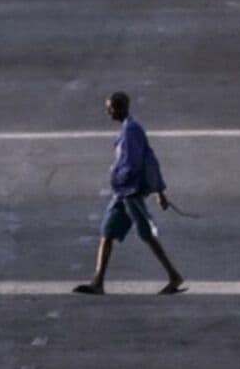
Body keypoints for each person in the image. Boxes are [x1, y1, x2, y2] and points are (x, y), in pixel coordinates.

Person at [73, 89, 185, 294]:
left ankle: (174, 275)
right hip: (123, 192)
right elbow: (149, 159)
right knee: (107, 232)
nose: (107, 113)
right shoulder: (128, 128)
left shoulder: (132, 130)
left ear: (118, 108)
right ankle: (98, 282)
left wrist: (156, 191)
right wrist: (159, 192)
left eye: (109, 109)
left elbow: (140, 162)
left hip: (130, 192)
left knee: (147, 234)